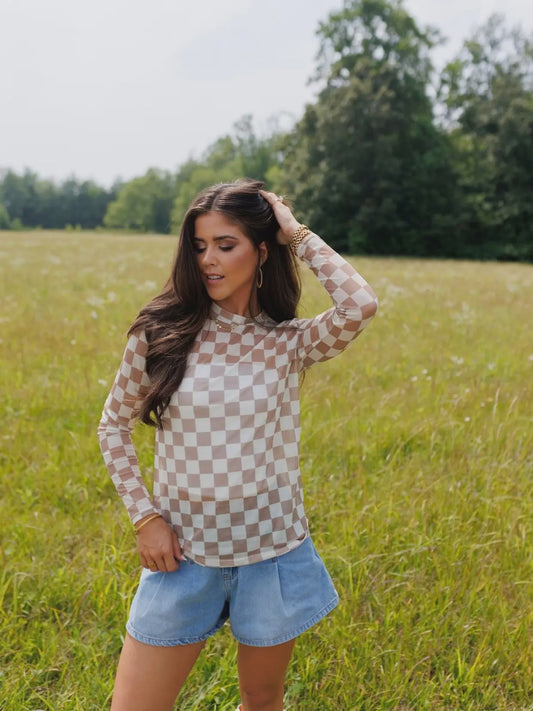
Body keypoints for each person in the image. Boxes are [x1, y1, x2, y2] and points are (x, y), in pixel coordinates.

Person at [97, 178, 378, 711]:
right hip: (182, 556)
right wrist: (145, 517)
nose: (208, 260)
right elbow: (113, 426)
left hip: (271, 554)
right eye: (199, 246)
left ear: (262, 251)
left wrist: (296, 234)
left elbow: (360, 304)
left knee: (261, 701)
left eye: (226, 245)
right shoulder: (160, 334)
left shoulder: (288, 342)